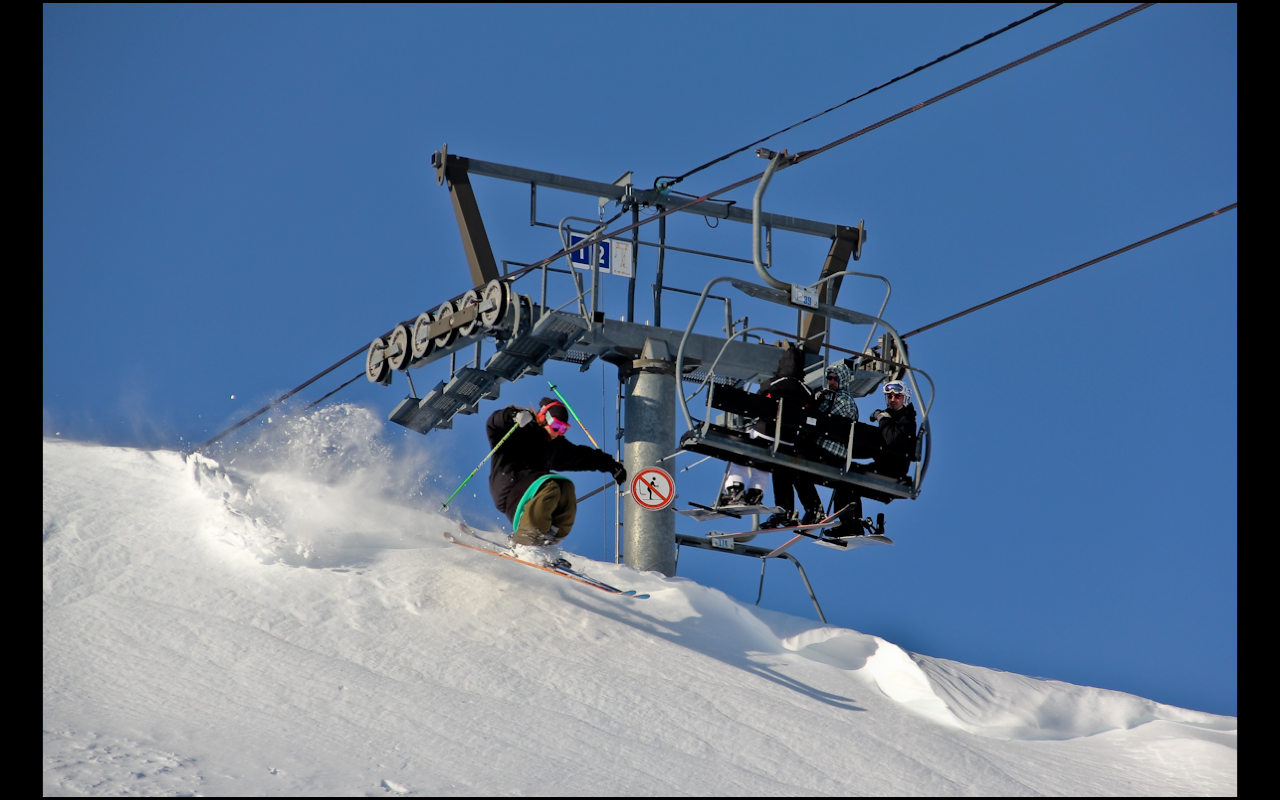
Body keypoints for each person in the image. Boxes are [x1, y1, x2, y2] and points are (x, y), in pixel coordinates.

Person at [485, 397, 625, 567]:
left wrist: (610, 465)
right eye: (556, 426)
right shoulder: (520, 430)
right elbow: (493, 423)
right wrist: (513, 415)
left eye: (564, 429)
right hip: (509, 483)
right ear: (544, 418)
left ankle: (545, 542)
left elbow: (581, 456)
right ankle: (525, 542)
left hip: (531, 489)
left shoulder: (555, 446)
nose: (559, 432)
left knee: (565, 487)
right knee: (550, 485)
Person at [752, 344, 825, 530]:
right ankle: (809, 508)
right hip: (790, 441)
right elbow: (813, 412)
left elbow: (757, 401)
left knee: (779, 463)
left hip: (767, 436)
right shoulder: (807, 391)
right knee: (785, 463)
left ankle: (785, 509)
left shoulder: (772, 384)